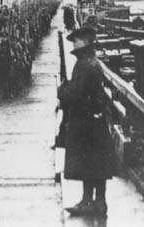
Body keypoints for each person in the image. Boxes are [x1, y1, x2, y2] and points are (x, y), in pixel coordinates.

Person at [57, 26, 115, 216]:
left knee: (88, 161)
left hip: (85, 121)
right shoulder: (92, 62)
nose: (74, 43)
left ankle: (88, 202)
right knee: (96, 162)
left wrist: (62, 91)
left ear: (85, 42)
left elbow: (75, 94)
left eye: (77, 40)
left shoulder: (84, 64)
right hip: (95, 119)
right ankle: (98, 202)